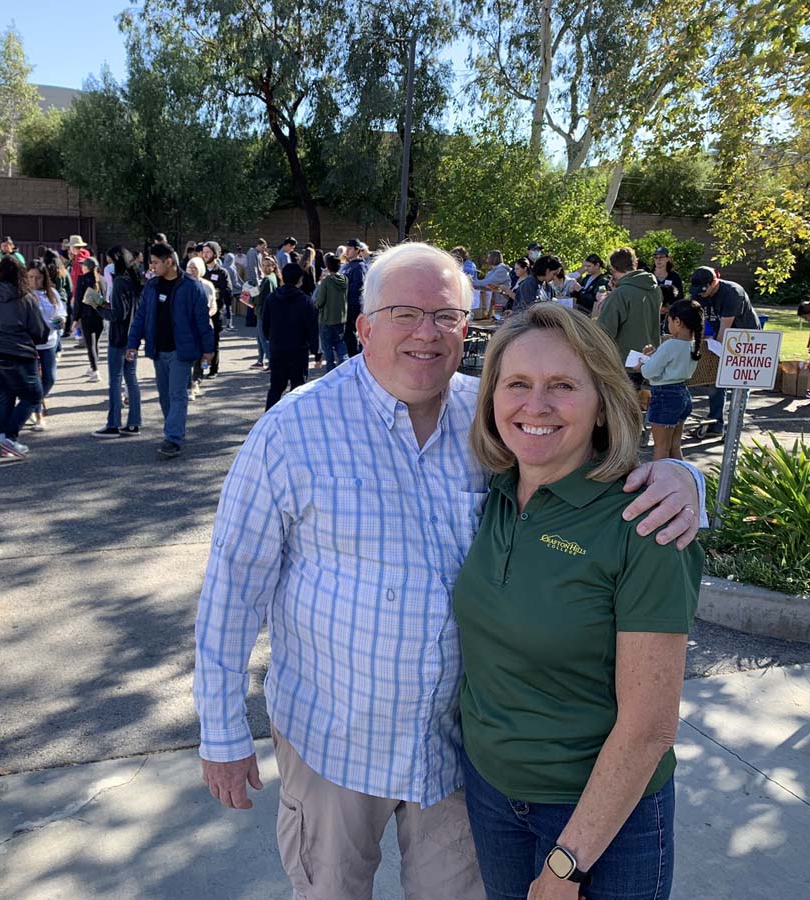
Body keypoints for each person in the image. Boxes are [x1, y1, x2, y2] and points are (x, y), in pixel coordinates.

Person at [195, 242, 705, 900]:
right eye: (404, 313)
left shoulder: (495, 418)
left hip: (455, 758)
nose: (426, 334)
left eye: (447, 317)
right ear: (364, 326)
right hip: (333, 742)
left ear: (470, 327)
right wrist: (222, 729)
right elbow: (233, 587)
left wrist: (683, 475)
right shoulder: (292, 431)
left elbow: (592, 463)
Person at [455, 301, 702, 900]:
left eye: (562, 386)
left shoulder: (644, 525)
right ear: (491, 399)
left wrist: (568, 864)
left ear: (601, 403)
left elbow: (648, 728)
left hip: (603, 822)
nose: (534, 406)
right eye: (517, 384)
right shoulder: (494, 496)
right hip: (491, 797)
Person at [124, 242, 214, 459]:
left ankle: (172, 438)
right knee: (165, 396)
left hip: (181, 352)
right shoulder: (152, 286)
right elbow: (141, 317)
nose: (152, 267)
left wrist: (209, 350)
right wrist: (132, 344)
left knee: (177, 394)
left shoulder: (192, 287)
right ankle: (174, 430)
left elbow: (203, 321)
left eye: (155, 262)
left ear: (169, 262)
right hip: (158, 350)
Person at [0, 256, 49, 459]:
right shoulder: (25, 297)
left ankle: (5, 438)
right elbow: (40, 331)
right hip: (18, 352)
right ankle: (9, 437)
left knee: (4, 395)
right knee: (33, 395)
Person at [690, 266, 759, 434]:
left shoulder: (733, 293)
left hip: (745, 338)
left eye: (704, 290)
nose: (700, 294)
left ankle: (735, 425)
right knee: (715, 378)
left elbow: (725, 330)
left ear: (714, 282)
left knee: (740, 383)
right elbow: (698, 322)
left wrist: (713, 346)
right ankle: (716, 422)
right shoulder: (699, 293)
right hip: (720, 336)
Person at [637, 299, 703, 460]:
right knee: (674, 446)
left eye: (670, 321)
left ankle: (659, 482)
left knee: (661, 449)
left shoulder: (670, 344)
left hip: (664, 396)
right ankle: (680, 478)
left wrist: (642, 365)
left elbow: (648, 372)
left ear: (677, 321)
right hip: (682, 394)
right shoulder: (693, 344)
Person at [93, 246, 142, 438]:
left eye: (111, 261)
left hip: (119, 337)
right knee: (131, 378)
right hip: (133, 337)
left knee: (115, 380)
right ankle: (134, 423)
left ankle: (113, 423)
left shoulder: (120, 282)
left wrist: (99, 307)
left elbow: (117, 314)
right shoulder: (134, 281)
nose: (109, 265)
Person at [597, 247, 662, 385]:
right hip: (650, 359)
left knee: (623, 406)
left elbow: (603, 333)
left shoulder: (620, 294)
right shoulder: (654, 288)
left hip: (626, 364)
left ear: (613, 268)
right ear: (635, 264)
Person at [262, 262, 319, 410]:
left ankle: (268, 420)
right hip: (298, 350)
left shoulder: (272, 298)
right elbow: (312, 328)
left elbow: (265, 324)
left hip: (277, 347)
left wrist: (271, 338)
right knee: (298, 388)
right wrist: (316, 352)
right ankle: (296, 419)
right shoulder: (306, 301)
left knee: (275, 387)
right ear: (300, 280)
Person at [26, 261, 67, 432]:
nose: (34, 281)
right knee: (34, 381)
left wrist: (61, 320)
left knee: (50, 378)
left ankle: (29, 404)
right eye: (31, 277)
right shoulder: (23, 295)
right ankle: (38, 415)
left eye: (38, 278)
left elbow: (61, 312)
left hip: (49, 341)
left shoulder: (53, 293)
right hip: (29, 343)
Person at [186, 256, 219, 400]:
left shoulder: (207, 285)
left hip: (204, 323)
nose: (192, 271)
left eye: (195, 268)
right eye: (190, 268)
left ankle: (197, 379)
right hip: (188, 325)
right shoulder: (183, 285)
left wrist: (208, 314)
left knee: (203, 355)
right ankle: (189, 385)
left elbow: (213, 305)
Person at [200, 242, 232, 372]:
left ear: (215, 253)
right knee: (200, 342)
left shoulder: (222, 272)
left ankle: (213, 369)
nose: (205, 254)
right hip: (200, 313)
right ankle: (201, 369)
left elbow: (227, 291)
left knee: (213, 342)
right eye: (203, 252)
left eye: (208, 252)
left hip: (215, 312)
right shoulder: (200, 270)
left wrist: (216, 292)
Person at [314, 253, 349, 371]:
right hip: (341, 318)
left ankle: (330, 371)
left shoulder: (326, 282)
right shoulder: (344, 280)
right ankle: (344, 363)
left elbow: (320, 301)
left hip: (327, 318)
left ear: (327, 267)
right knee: (340, 343)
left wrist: (316, 305)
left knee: (327, 347)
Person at [76, 257, 106, 383]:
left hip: (86, 316)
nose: (81, 267)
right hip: (99, 316)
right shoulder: (102, 280)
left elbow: (78, 301)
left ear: (87, 267)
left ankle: (95, 371)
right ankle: (92, 367)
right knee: (96, 343)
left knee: (90, 345)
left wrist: (75, 319)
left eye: (83, 265)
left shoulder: (82, 280)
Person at [342, 237, 369, 355]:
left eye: (350, 249)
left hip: (354, 304)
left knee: (352, 332)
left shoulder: (359, 266)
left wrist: (343, 288)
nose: (347, 251)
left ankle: (355, 356)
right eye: (347, 248)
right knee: (347, 333)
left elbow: (359, 285)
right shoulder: (346, 266)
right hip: (345, 303)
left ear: (358, 251)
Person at [251, 256, 279, 370]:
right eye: (263, 265)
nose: (265, 268)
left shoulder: (268, 279)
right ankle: (260, 360)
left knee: (264, 339)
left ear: (273, 267)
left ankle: (271, 362)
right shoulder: (271, 277)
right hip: (264, 312)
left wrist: (251, 298)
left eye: (268, 265)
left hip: (263, 312)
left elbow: (260, 297)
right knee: (260, 337)